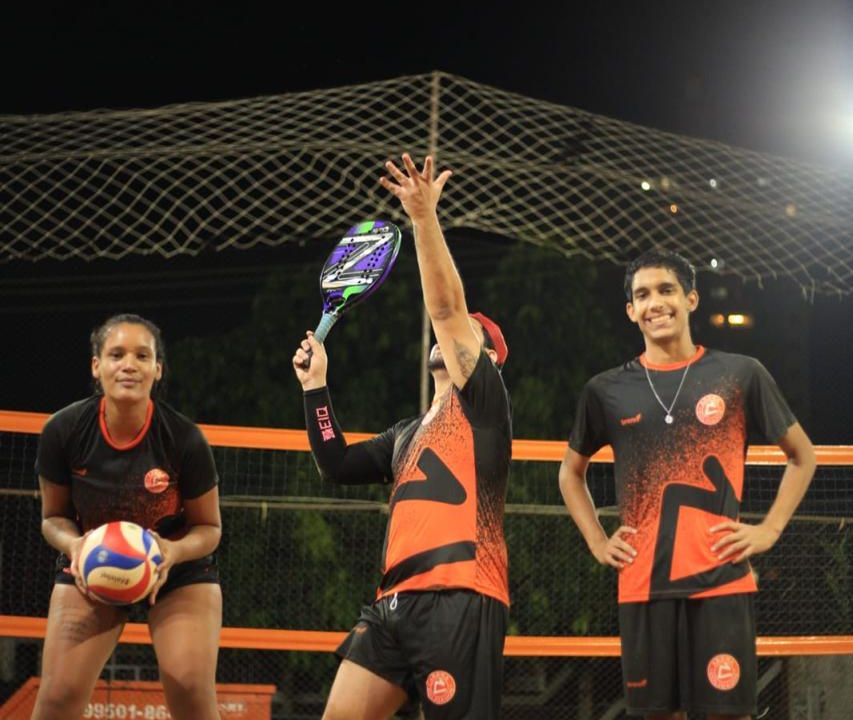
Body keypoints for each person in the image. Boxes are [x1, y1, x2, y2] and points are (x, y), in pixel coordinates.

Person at [292, 153, 512, 720]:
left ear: (488, 359)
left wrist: (422, 217)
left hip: (460, 595)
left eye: (470, 333)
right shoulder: (405, 434)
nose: (452, 333)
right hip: (391, 604)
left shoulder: (484, 406)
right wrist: (316, 388)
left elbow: (446, 307)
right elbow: (336, 463)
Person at [558, 249, 816, 720]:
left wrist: (769, 530)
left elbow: (803, 456)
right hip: (644, 584)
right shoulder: (605, 390)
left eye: (666, 290)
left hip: (722, 582)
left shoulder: (740, 374)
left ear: (691, 299)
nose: (655, 303)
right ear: (630, 311)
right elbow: (569, 474)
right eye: (642, 295)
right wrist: (597, 540)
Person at [33, 313, 223, 720]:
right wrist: (76, 547)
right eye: (116, 354)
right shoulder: (63, 431)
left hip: (178, 569)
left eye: (142, 355)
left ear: (158, 369)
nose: (129, 365)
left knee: (191, 691)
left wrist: (171, 552)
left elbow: (209, 528)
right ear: (96, 365)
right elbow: (53, 518)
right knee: (57, 698)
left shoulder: (184, 439)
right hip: (92, 563)